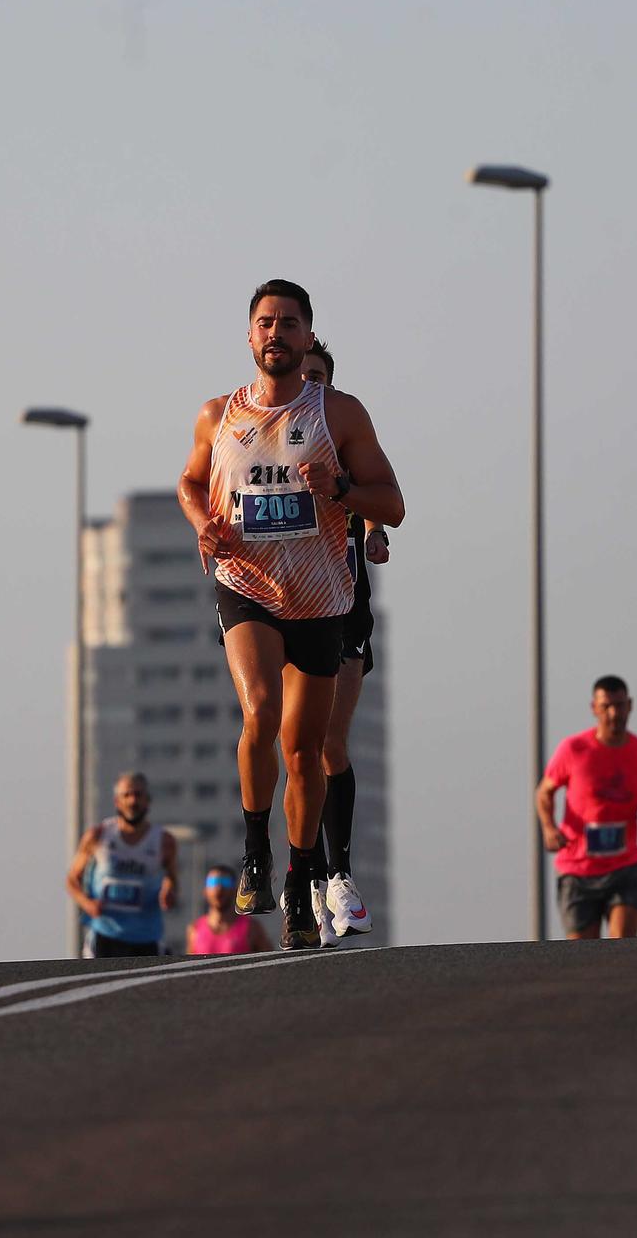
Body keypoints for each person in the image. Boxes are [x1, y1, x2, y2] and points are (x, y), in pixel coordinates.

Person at [175, 280, 404, 949]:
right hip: (245, 583)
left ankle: (301, 877)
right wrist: (202, 523)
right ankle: (255, 847)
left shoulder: (341, 414)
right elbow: (190, 481)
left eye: (290, 323)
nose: (276, 333)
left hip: (320, 595)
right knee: (260, 713)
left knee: (304, 750)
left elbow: (392, 502)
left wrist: (339, 488)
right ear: (249, 337)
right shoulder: (219, 416)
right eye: (265, 323)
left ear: (308, 337)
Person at [297, 342, 382, 947]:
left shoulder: (345, 436)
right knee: (292, 740)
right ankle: (302, 875)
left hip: (344, 600)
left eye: (320, 378)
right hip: (281, 601)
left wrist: (373, 534)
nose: (310, 386)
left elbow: (380, 500)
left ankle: (339, 875)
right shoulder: (260, 439)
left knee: (330, 740)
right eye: (302, 377)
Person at [536, 675, 637, 940]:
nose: (614, 714)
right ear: (594, 709)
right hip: (577, 870)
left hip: (625, 866)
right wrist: (548, 827)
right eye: (606, 707)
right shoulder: (573, 749)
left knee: (620, 945)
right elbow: (544, 792)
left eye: (620, 705)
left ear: (630, 705)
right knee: (584, 957)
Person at [66, 772, 178, 958]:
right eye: (127, 795)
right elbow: (72, 879)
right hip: (105, 934)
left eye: (138, 795)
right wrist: (87, 904)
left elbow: (172, 879)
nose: (133, 801)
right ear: (117, 801)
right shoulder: (98, 836)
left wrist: (169, 892)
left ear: (147, 800)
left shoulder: (164, 841)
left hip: (146, 936)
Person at [186, 865, 273, 954]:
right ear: (205, 890)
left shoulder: (252, 928)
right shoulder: (195, 930)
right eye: (212, 882)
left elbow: (270, 962)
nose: (219, 888)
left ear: (236, 889)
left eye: (225, 882)